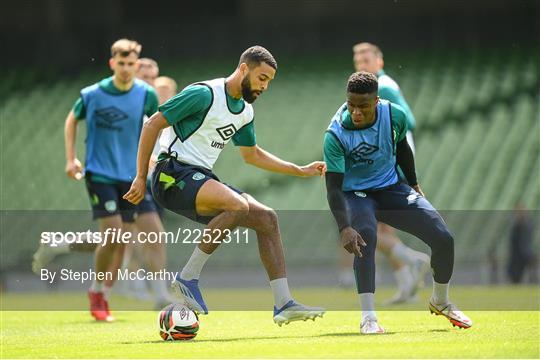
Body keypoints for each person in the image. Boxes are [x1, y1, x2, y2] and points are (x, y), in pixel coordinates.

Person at [123, 46, 326, 325]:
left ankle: (283, 303)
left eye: (269, 81)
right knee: (237, 205)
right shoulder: (204, 94)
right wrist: (138, 176)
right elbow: (152, 125)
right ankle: (187, 277)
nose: (265, 86)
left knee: (267, 218)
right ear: (244, 69)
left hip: (199, 177)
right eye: (262, 78)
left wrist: (298, 170)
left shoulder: (245, 111)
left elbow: (251, 154)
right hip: (170, 174)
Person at [323, 71, 472, 334]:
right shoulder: (335, 134)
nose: (356, 112)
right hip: (357, 194)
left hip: (392, 189)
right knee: (365, 235)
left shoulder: (394, 115)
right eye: (351, 105)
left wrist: (414, 185)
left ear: (377, 101)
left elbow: (402, 148)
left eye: (363, 106)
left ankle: (441, 301)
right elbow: (334, 188)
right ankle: (368, 318)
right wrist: (344, 227)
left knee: (443, 237)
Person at [64, 38, 159, 321]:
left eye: (131, 64)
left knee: (121, 240)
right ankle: (96, 291)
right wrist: (71, 159)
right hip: (99, 173)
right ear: (112, 63)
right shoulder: (93, 94)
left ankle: (101, 290)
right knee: (114, 233)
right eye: (122, 63)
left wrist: (152, 158)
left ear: (136, 64)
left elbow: (155, 126)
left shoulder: (146, 94)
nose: (127, 69)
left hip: (130, 177)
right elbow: (72, 120)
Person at [335, 42, 430, 305]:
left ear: (380, 61)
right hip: (385, 168)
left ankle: (414, 260)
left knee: (366, 228)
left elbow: (406, 121)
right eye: (358, 60)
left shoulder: (384, 87)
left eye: (367, 59)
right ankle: (407, 284)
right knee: (380, 228)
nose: (362, 64)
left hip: (386, 170)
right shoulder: (376, 90)